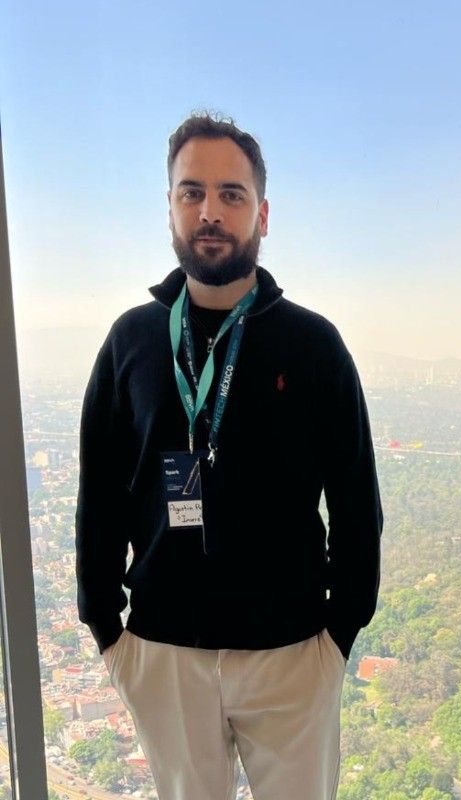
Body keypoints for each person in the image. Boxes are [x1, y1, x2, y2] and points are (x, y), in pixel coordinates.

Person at [74, 111, 383, 800]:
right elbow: (100, 497)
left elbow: (357, 502)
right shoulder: (132, 342)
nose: (210, 211)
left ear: (262, 214)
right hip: (163, 654)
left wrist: (339, 634)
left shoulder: (314, 345)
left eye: (231, 194)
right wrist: (108, 630)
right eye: (193, 192)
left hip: (292, 655)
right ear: (171, 207)